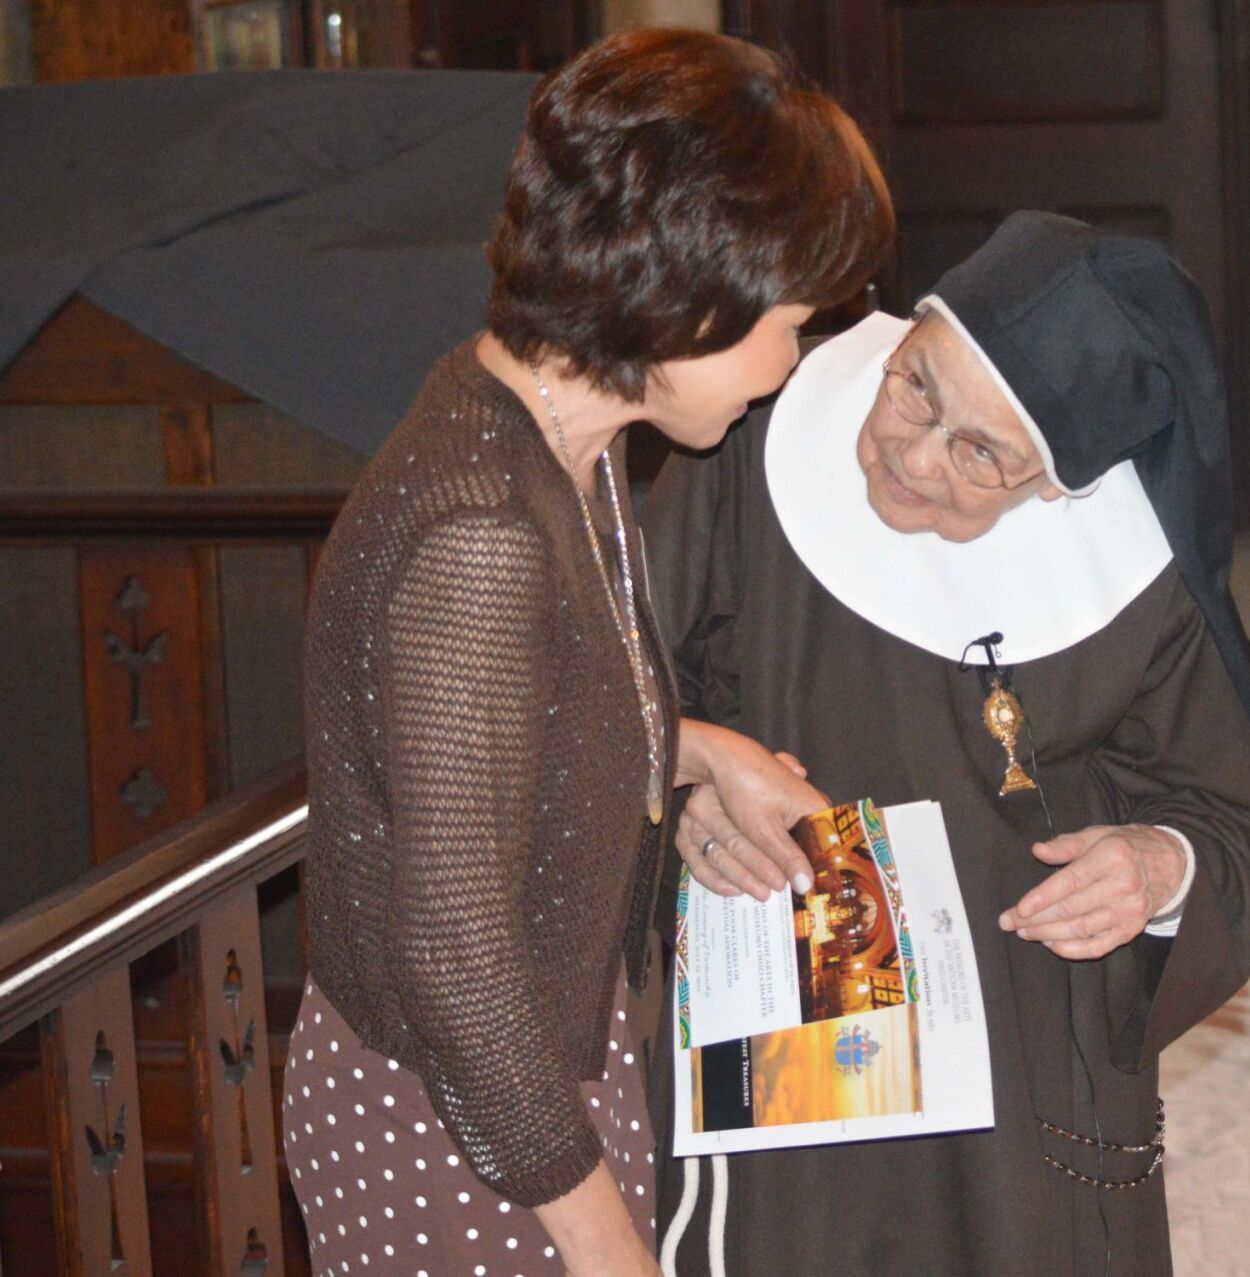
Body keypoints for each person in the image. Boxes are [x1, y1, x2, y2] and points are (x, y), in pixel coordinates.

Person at [290, 30, 891, 1277]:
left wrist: (697, 751)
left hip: (525, 1070)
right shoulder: (480, 532)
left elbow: (524, 719)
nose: (789, 362)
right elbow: (456, 961)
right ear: (688, 292)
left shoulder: (565, 428)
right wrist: (613, 1250)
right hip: (456, 1124)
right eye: (789, 322)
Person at [639, 211, 1250, 1276]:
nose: (912, 453)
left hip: (1022, 1060)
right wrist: (687, 781)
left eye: (980, 451)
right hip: (787, 1008)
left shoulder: (1138, 575)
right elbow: (608, 686)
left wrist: (1157, 867)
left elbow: (1218, 808)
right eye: (916, 387)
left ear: (1056, 484)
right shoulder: (757, 437)